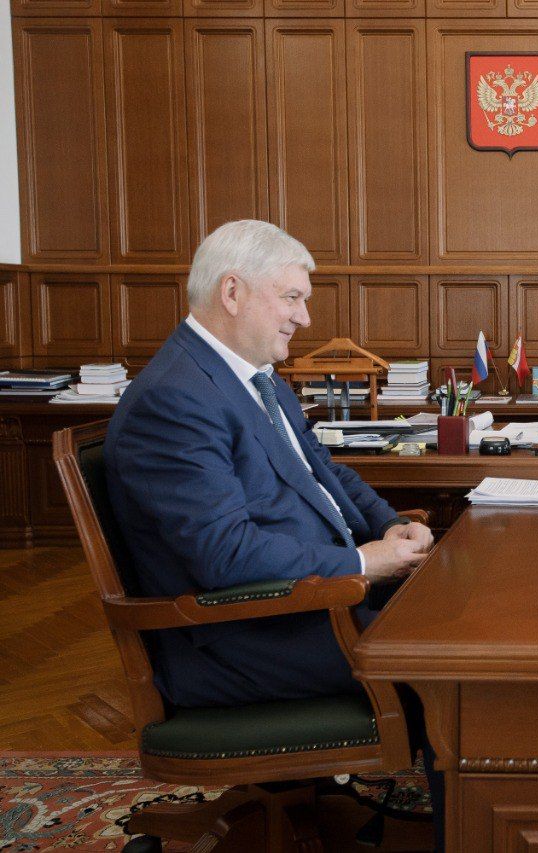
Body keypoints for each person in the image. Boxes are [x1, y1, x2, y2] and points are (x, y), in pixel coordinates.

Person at [105, 219, 433, 709]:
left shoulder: (258, 377)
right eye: (291, 297)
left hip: (317, 599)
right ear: (232, 293)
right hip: (248, 634)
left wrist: (391, 526)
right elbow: (226, 553)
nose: (304, 318)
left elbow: (324, 473)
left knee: (464, 611)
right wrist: (364, 562)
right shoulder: (173, 400)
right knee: (453, 664)